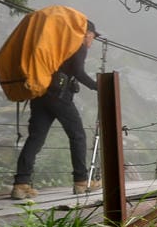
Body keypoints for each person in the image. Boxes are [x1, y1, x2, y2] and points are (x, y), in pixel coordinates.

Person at [10, 19, 102, 199]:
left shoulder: (57, 47)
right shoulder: (78, 45)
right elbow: (78, 71)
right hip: (60, 97)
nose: (92, 40)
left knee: (35, 139)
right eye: (92, 36)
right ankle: (81, 182)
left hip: (40, 95)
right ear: (86, 33)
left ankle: (21, 185)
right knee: (78, 136)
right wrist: (98, 86)